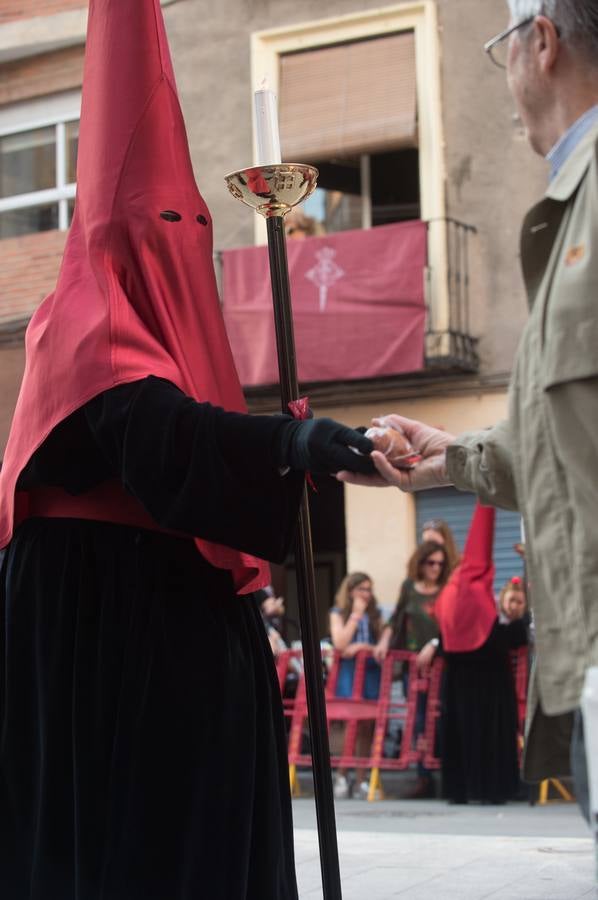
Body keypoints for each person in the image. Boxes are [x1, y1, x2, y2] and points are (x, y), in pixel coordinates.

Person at [0, 2, 376, 898]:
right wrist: (298, 441)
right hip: (109, 648)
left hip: (164, 634)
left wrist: (285, 439)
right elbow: (166, 440)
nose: (183, 240)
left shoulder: (150, 329)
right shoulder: (84, 321)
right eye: (164, 220)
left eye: (192, 222)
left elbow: (198, 443)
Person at [339, 0, 598, 823]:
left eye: (500, 49)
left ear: (542, 44)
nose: (506, 77)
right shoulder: (571, 204)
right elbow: (557, 448)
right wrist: (447, 457)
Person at [430, 503, 528, 804]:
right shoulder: (471, 589)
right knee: (490, 731)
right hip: (489, 681)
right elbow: (505, 636)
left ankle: (461, 789)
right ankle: (491, 788)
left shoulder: (449, 592)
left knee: (462, 731)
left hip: (459, 679)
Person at [375, 541, 450, 798]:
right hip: (412, 665)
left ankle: (445, 774)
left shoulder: (447, 589)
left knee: (439, 717)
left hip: (441, 663)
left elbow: (450, 624)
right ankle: (424, 778)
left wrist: (434, 644)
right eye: (431, 563)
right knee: (418, 718)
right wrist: (384, 641)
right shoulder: (409, 587)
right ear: (421, 562)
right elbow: (395, 618)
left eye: (441, 564)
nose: (436, 568)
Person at [329, 572, 382, 799]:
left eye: (369, 589)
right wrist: (356, 616)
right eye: (361, 589)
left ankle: (361, 779)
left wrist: (362, 646)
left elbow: (381, 644)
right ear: (350, 591)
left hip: (370, 671)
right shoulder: (338, 612)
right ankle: (341, 774)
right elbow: (340, 642)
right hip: (349, 672)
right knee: (351, 722)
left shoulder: (376, 614)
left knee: (367, 726)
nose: (366, 594)